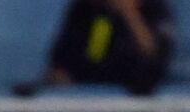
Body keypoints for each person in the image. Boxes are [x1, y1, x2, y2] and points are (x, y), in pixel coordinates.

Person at [42, 0, 175, 96]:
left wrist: (129, 13)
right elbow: (64, 61)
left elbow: (153, 54)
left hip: (137, 92)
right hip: (91, 94)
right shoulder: (86, 11)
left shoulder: (154, 10)